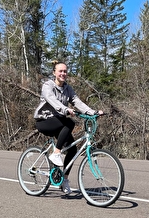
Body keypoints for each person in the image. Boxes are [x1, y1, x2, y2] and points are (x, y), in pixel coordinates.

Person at [34, 61, 103, 195]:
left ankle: (64, 180)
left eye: (65, 71)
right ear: (54, 72)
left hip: (59, 121)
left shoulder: (67, 88)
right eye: (60, 71)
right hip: (44, 121)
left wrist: (92, 112)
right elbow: (51, 100)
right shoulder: (47, 86)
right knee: (69, 123)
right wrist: (65, 109)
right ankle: (56, 153)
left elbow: (77, 102)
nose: (63, 74)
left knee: (72, 150)